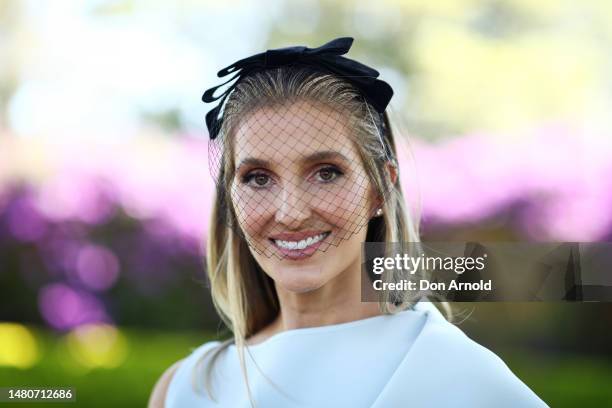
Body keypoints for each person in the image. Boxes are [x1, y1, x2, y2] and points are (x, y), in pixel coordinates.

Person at [149, 37, 548, 407]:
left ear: (380, 188)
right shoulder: (187, 389)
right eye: (258, 178)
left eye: (325, 172)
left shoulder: (460, 378)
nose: (290, 213)